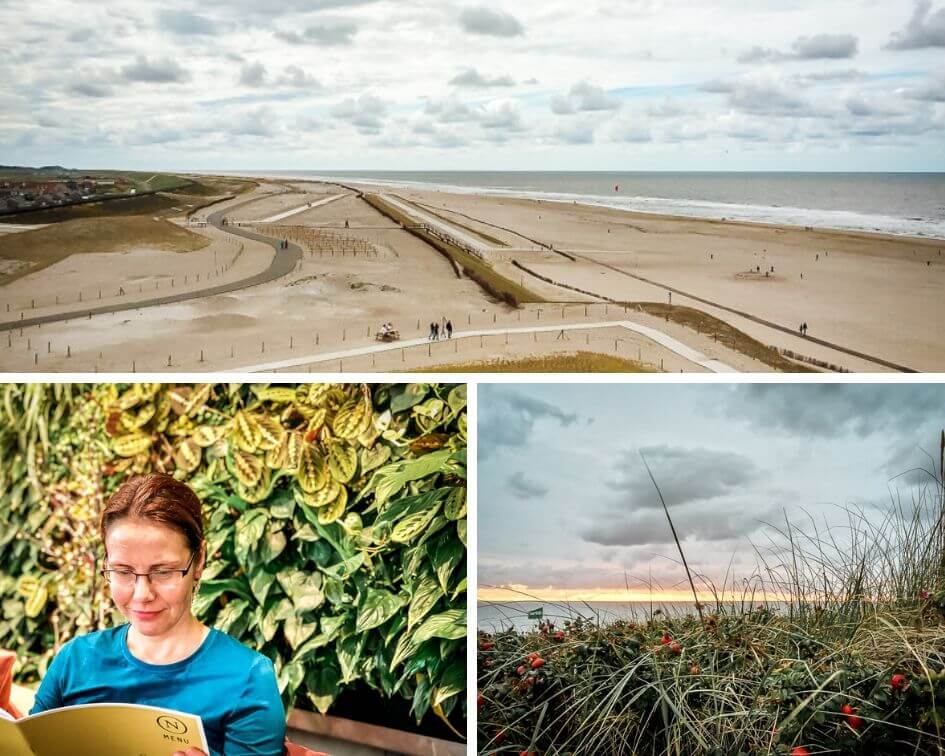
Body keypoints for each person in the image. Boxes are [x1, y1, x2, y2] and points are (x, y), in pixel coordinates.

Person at [30, 473, 286, 756]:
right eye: (123, 571)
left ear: (199, 560)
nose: (142, 594)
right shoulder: (76, 660)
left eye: (163, 572)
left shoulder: (246, 677)